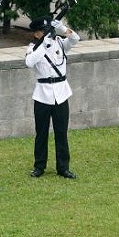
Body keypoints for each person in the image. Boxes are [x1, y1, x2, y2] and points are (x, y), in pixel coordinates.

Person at [24, 16, 80, 179]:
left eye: (48, 30)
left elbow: (75, 39)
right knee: (41, 132)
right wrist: (44, 44)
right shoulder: (33, 47)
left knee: (61, 132)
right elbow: (29, 62)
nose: (47, 33)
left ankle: (63, 167)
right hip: (43, 95)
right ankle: (39, 166)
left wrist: (62, 29)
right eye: (43, 31)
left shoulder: (60, 43)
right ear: (36, 34)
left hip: (61, 93)